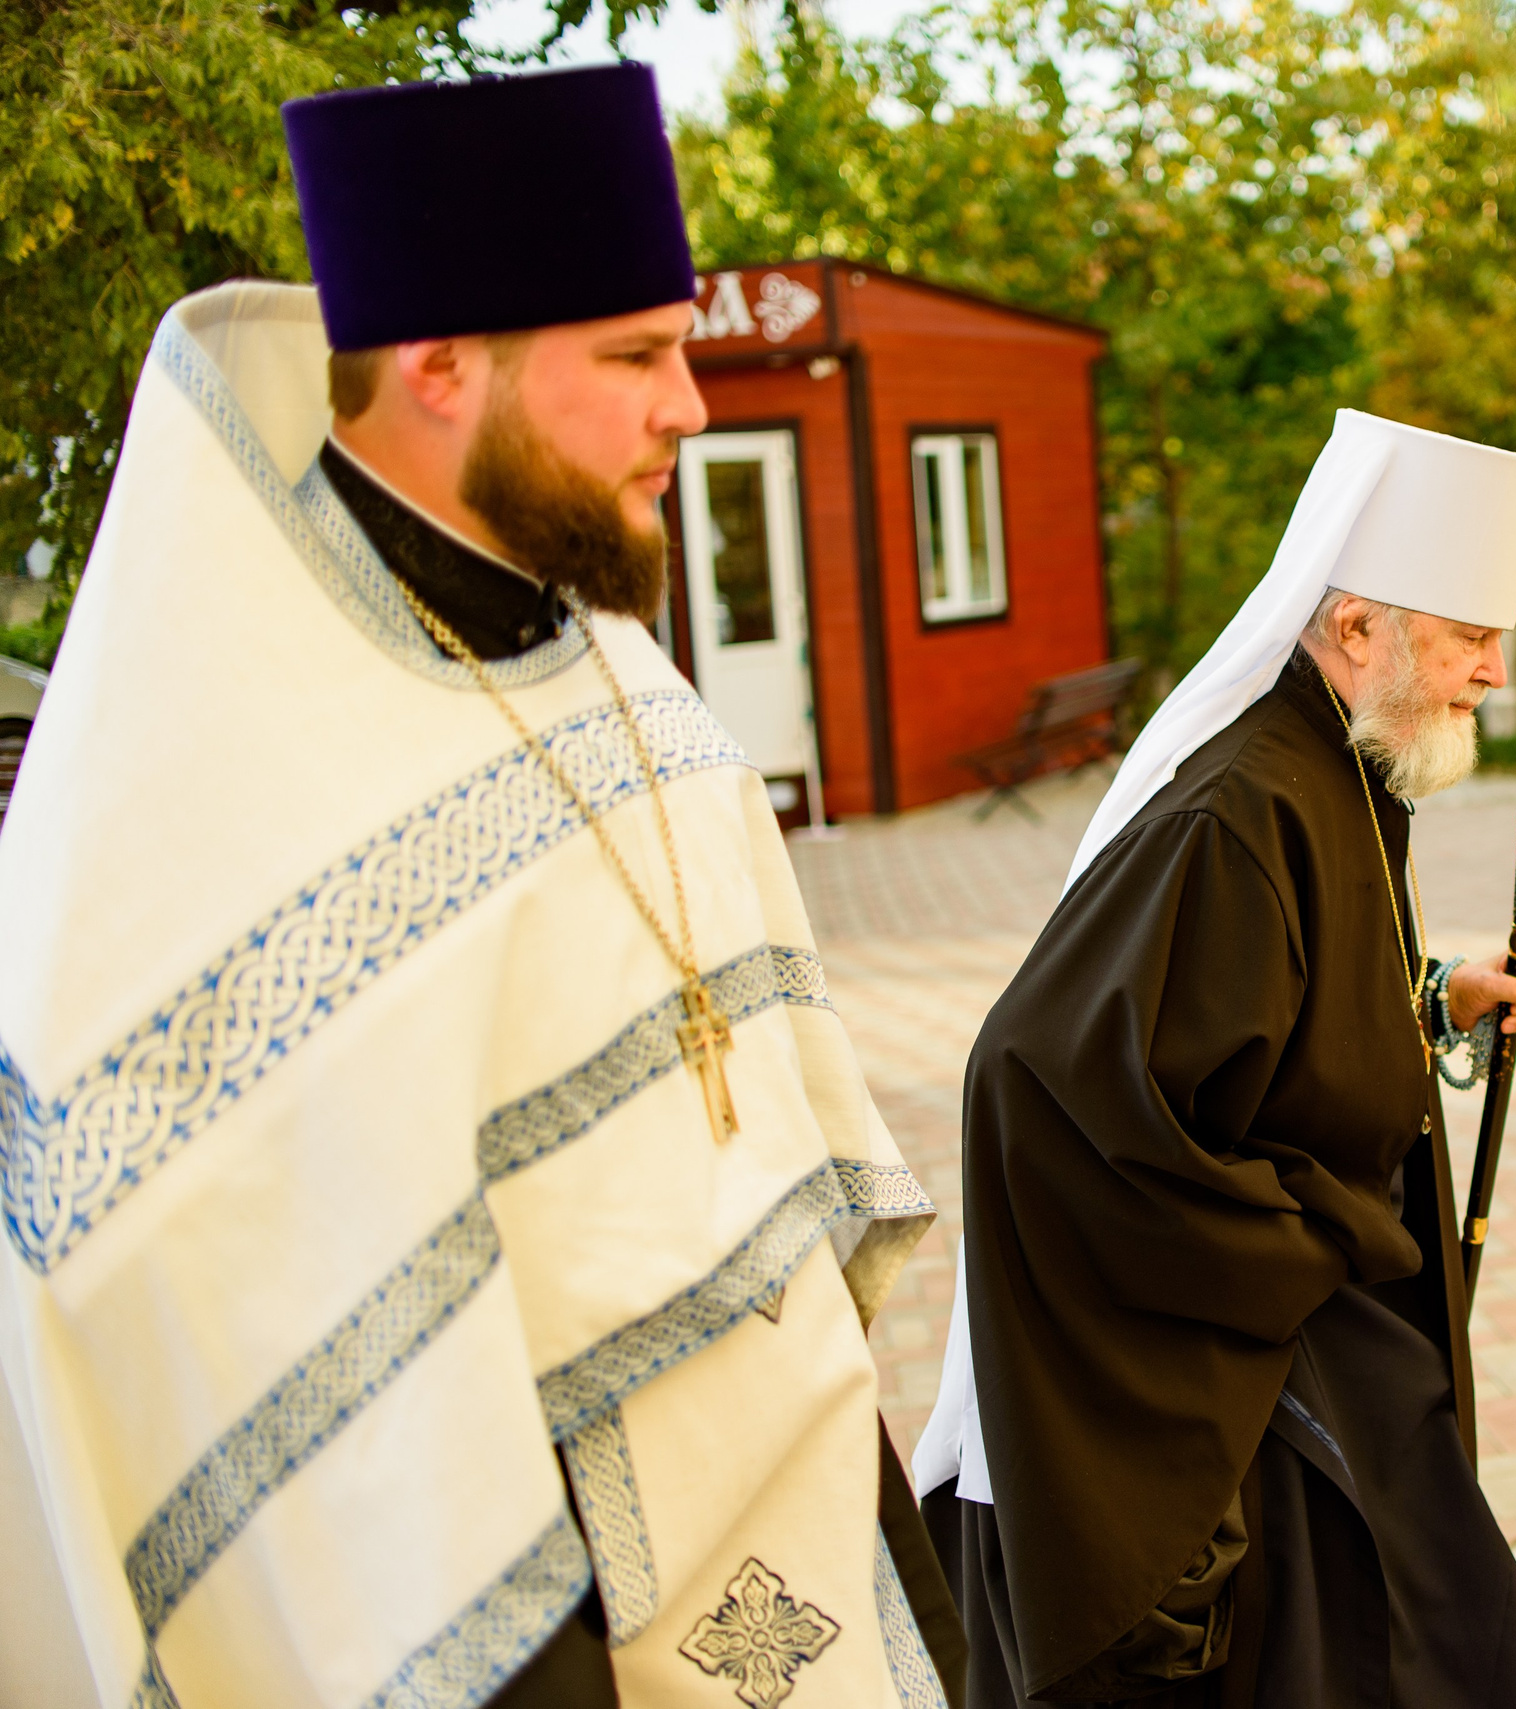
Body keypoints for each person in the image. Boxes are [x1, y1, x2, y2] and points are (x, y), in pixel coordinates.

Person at [0, 65, 961, 1709]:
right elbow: (206, 1328)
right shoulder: (218, 786)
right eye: (635, 357)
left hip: (805, 1533)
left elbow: (778, 1169)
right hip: (498, 1621)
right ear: (442, 366)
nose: (694, 407)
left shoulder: (619, 671)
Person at [913, 410, 1516, 1708]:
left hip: (1314, 1334)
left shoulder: (1342, 763)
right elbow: (1034, 1083)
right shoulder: (1236, 807)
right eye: (1468, 639)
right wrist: (1301, 1238)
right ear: (1354, 631)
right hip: (1249, 1373)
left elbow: (1267, 1023)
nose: (1493, 674)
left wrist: (1435, 1001)